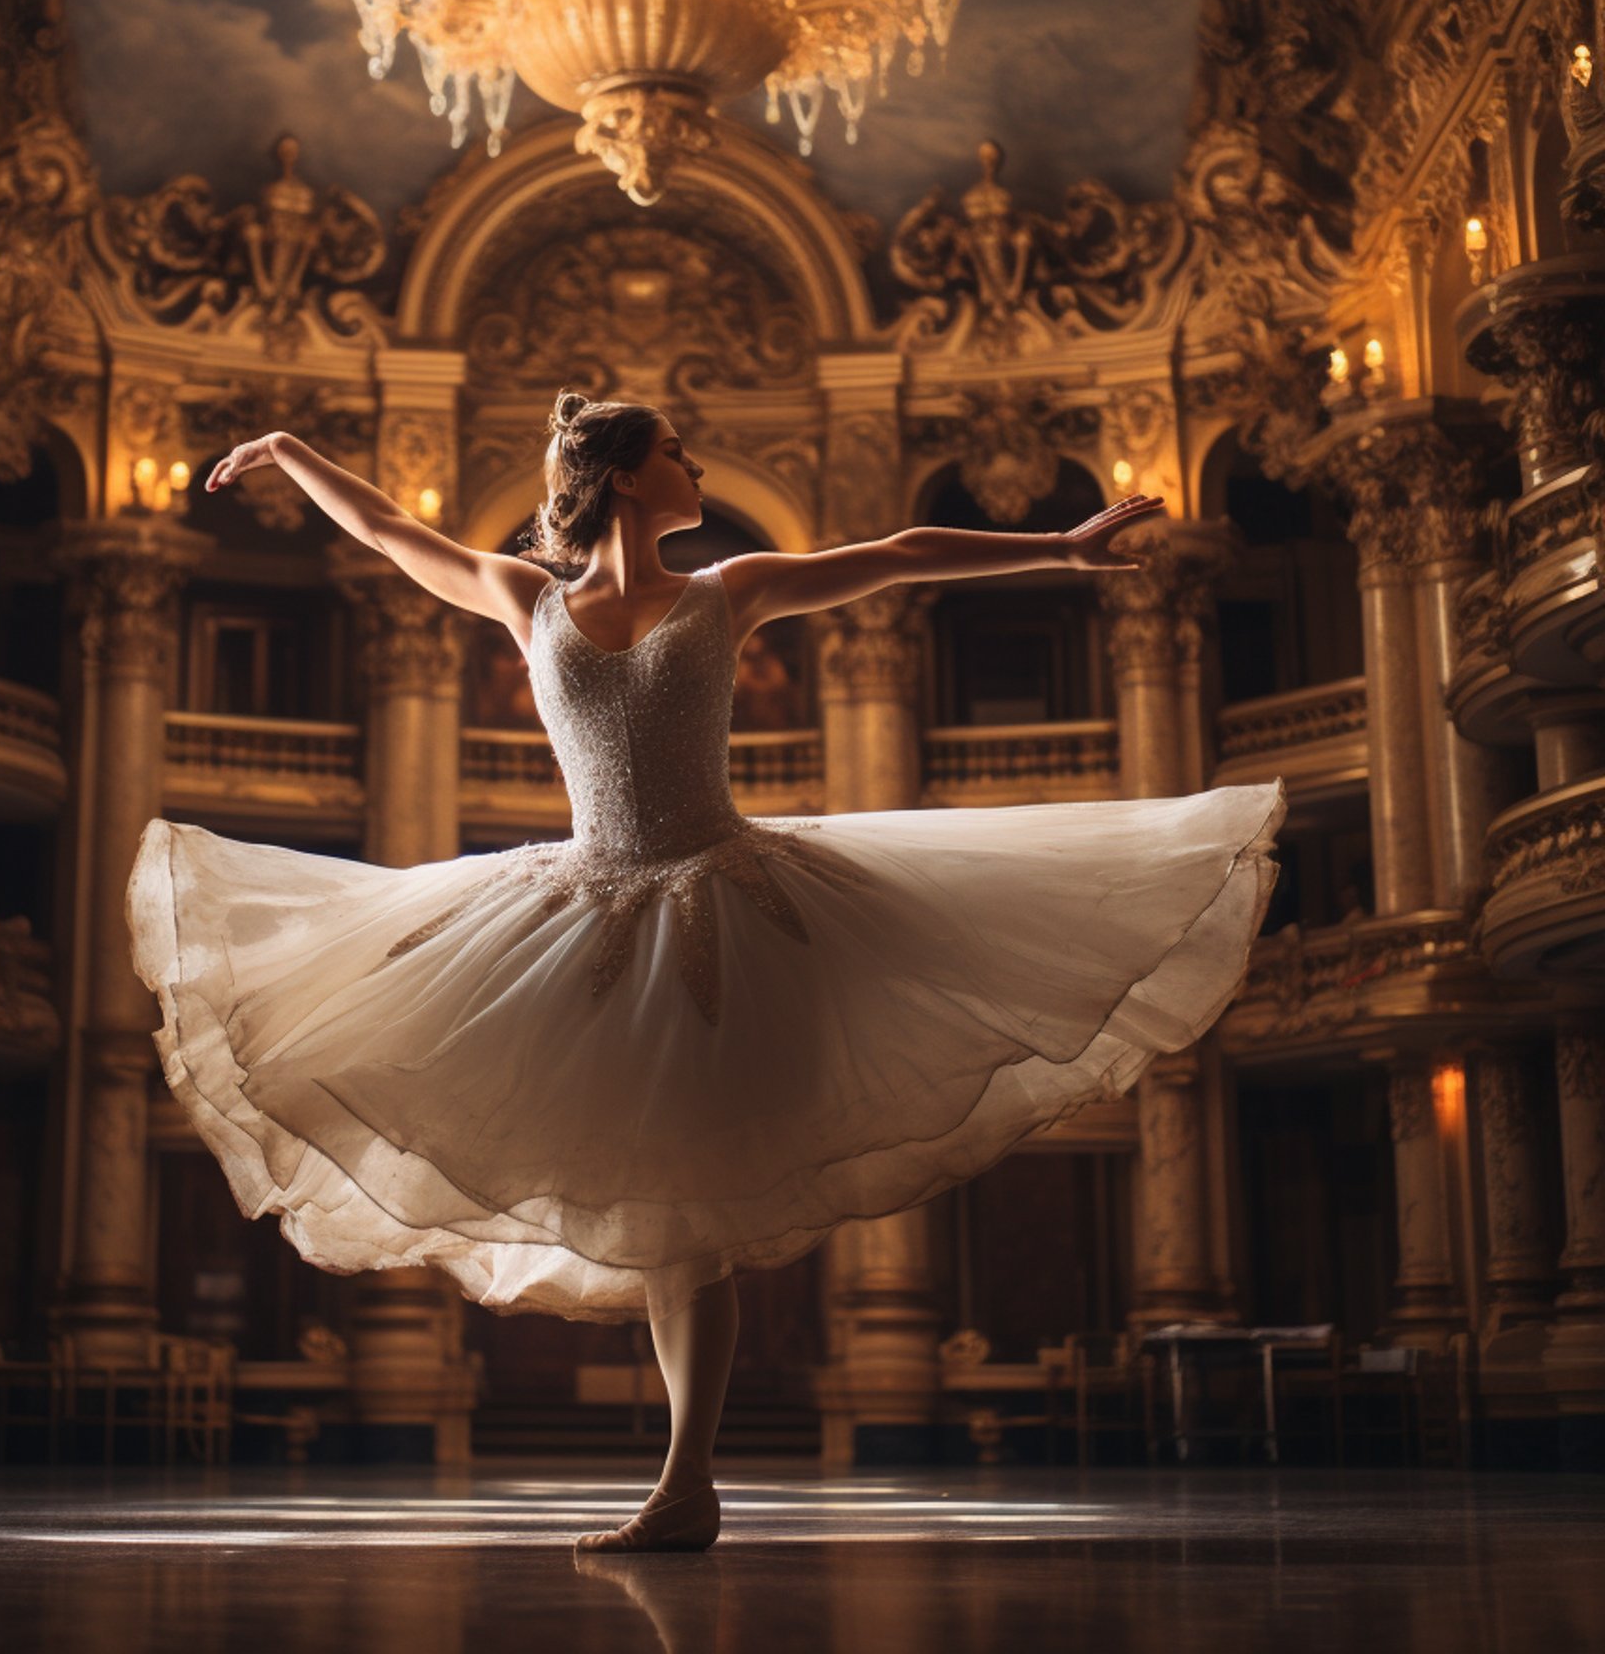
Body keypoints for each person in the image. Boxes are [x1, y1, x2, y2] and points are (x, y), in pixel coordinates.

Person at [126, 391, 1286, 1553]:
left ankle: (685, 1483)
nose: (695, 463)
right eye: (676, 451)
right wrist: (288, 451)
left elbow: (892, 557)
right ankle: (686, 1491)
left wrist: (1056, 545)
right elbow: (388, 533)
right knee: (668, 1217)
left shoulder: (729, 590)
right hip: (585, 915)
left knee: (695, 1225)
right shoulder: (526, 597)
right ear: (627, 475)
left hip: (729, 909)